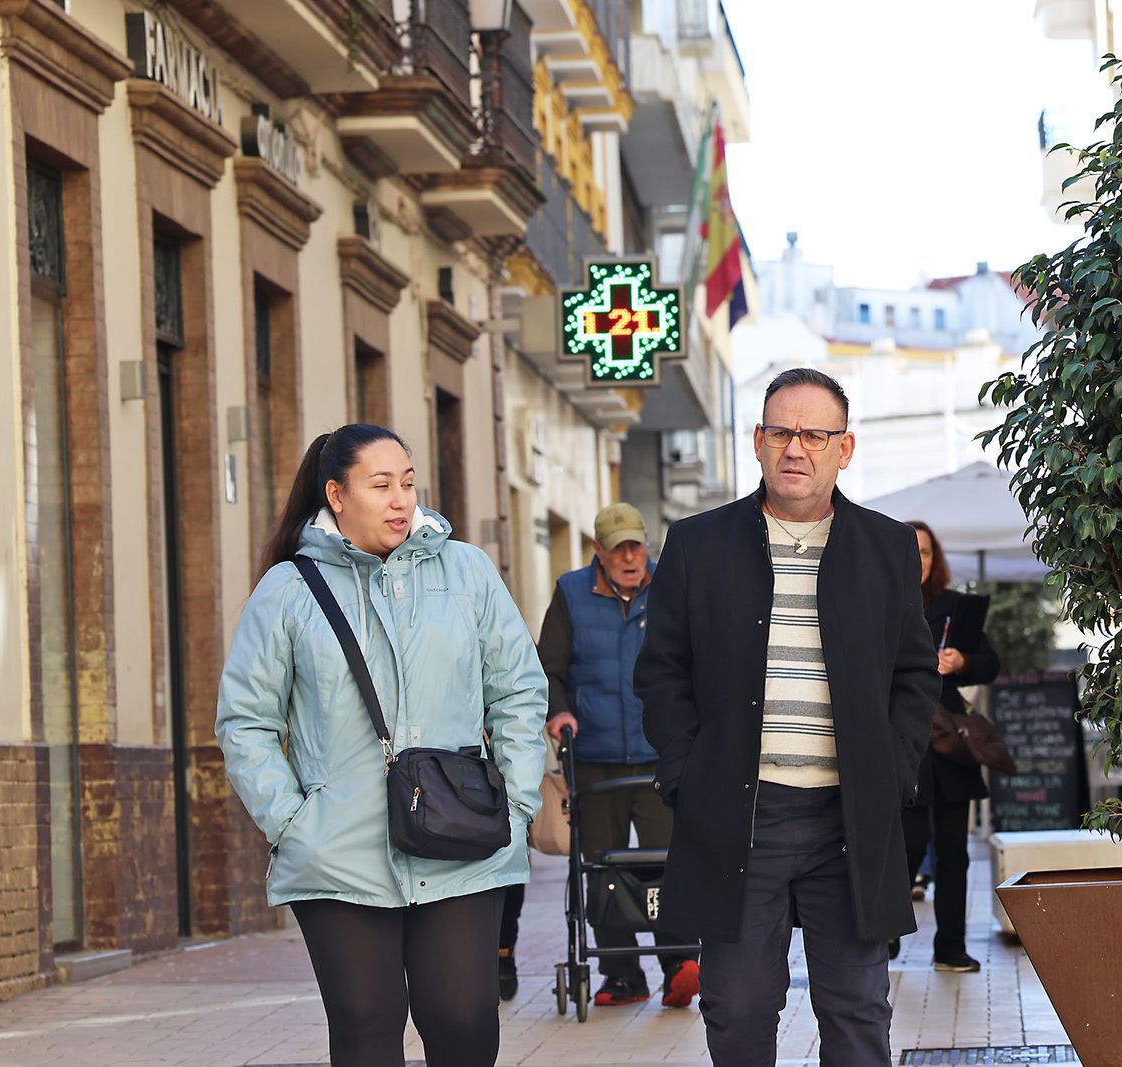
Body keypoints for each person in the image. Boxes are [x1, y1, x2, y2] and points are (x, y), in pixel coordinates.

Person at [636, 367, 940, 1067]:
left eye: (814, 433)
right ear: (757, 440)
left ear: (845, 447)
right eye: (781, 431)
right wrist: (689, 771)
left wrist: (889, 771)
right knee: (738, 1008)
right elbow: (662, 670)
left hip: (849, 817)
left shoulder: (887, 546)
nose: (795, 448)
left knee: (858, 1010)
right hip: (743, 813)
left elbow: (913, 673)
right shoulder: (698, 543)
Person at [216, 425, 548, 1067]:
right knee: (366, 1028)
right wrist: (293, 822)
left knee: (464, 1022)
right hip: (340, 850)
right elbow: (246, 721)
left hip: (464, 839)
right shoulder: (290, 589)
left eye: (408, 482)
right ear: (336, 494)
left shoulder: (468, 572)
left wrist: (518, 805)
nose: (400, 500)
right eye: (380, 485)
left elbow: (518, 692)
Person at [535, 502, 700, 1008]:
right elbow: (550, 670)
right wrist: (559, 713)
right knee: (601, 867)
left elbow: (694, 661)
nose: (631, 557)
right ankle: (622, 974)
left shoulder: (671, 588)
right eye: (619, 548)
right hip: (594, 755)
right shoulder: (570, 594)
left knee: (669, 862)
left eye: (637, 545)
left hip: (659, 753)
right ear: (598, 551)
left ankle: (680, 963)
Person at [900, 520, 1001, 973]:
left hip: (948, 745)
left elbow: (989, 664)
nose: (917, 560)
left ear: (935, 559)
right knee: (905, 845)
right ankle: (884, 936)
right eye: (909, 551)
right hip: (900, 745)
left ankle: (950, 948)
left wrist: (961, 660)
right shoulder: (880, 604)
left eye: (924, 552)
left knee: (954, 853)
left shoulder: (955, 608)